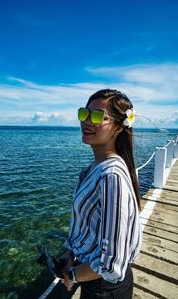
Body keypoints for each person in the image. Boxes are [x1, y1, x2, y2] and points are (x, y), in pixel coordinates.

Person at [59, 89, 142, 299]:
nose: (87, 121)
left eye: (98, 116)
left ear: (117, 128)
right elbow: (84, 225)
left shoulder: (111, 176)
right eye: (84, 113)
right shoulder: (91, 170)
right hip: (93, 279)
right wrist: (70, 253)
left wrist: (71, 275)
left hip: (104, 289)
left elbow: (111, 263)